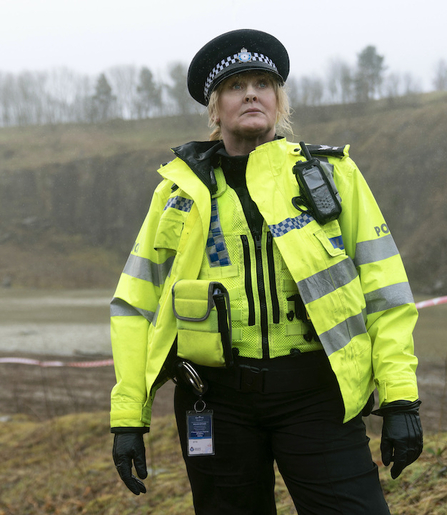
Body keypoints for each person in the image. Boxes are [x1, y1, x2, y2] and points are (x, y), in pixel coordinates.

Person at [109, 28, 422, 514]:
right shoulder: (176, 195)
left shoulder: (333, 176)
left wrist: (401, 399)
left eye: (263, 83)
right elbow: (134, 304)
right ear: (215, 109)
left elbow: (386, 291)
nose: (251, 92)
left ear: (280, 101)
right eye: (235, 86)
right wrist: (129, 417)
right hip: (213, 401)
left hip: (319, 396)